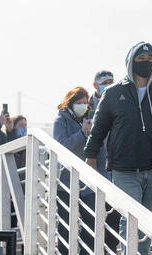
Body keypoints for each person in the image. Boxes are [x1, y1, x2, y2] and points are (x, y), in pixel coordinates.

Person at [84, 41, 152, 255]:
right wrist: (90, 156)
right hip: (124, 171)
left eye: (150, 60)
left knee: (149, 223)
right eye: (140, 60)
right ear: (130, 62)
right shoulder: (112, 93)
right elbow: (99, 128)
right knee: (130, 220)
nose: (146, 63)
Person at [53, 86, 117, 254]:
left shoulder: (93, 119)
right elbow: (61, 147)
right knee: (66, 227)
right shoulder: (61, 120)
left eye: (84, 103)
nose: (82, 106)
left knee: (92, 223)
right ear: (70, 103)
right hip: (67, 183)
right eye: (78, 103)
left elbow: (101, 150)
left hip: (89, 182)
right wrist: (82, 134)